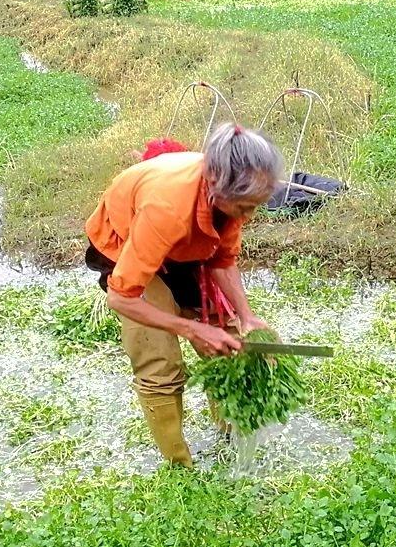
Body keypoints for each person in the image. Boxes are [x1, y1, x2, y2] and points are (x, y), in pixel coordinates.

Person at [84, 125, 283, 467]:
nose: (249, 216)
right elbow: (121, 298)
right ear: (217, 183)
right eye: (245, 206)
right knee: (160, 363)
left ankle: (230, 436)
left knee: (228, 342)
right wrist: (191, 328)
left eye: (257, 206)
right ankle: (180, 467)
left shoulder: (231, 197)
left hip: (186, 245)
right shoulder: (168, 207)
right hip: (127, 245)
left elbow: (222, 259)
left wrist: (247, 316)